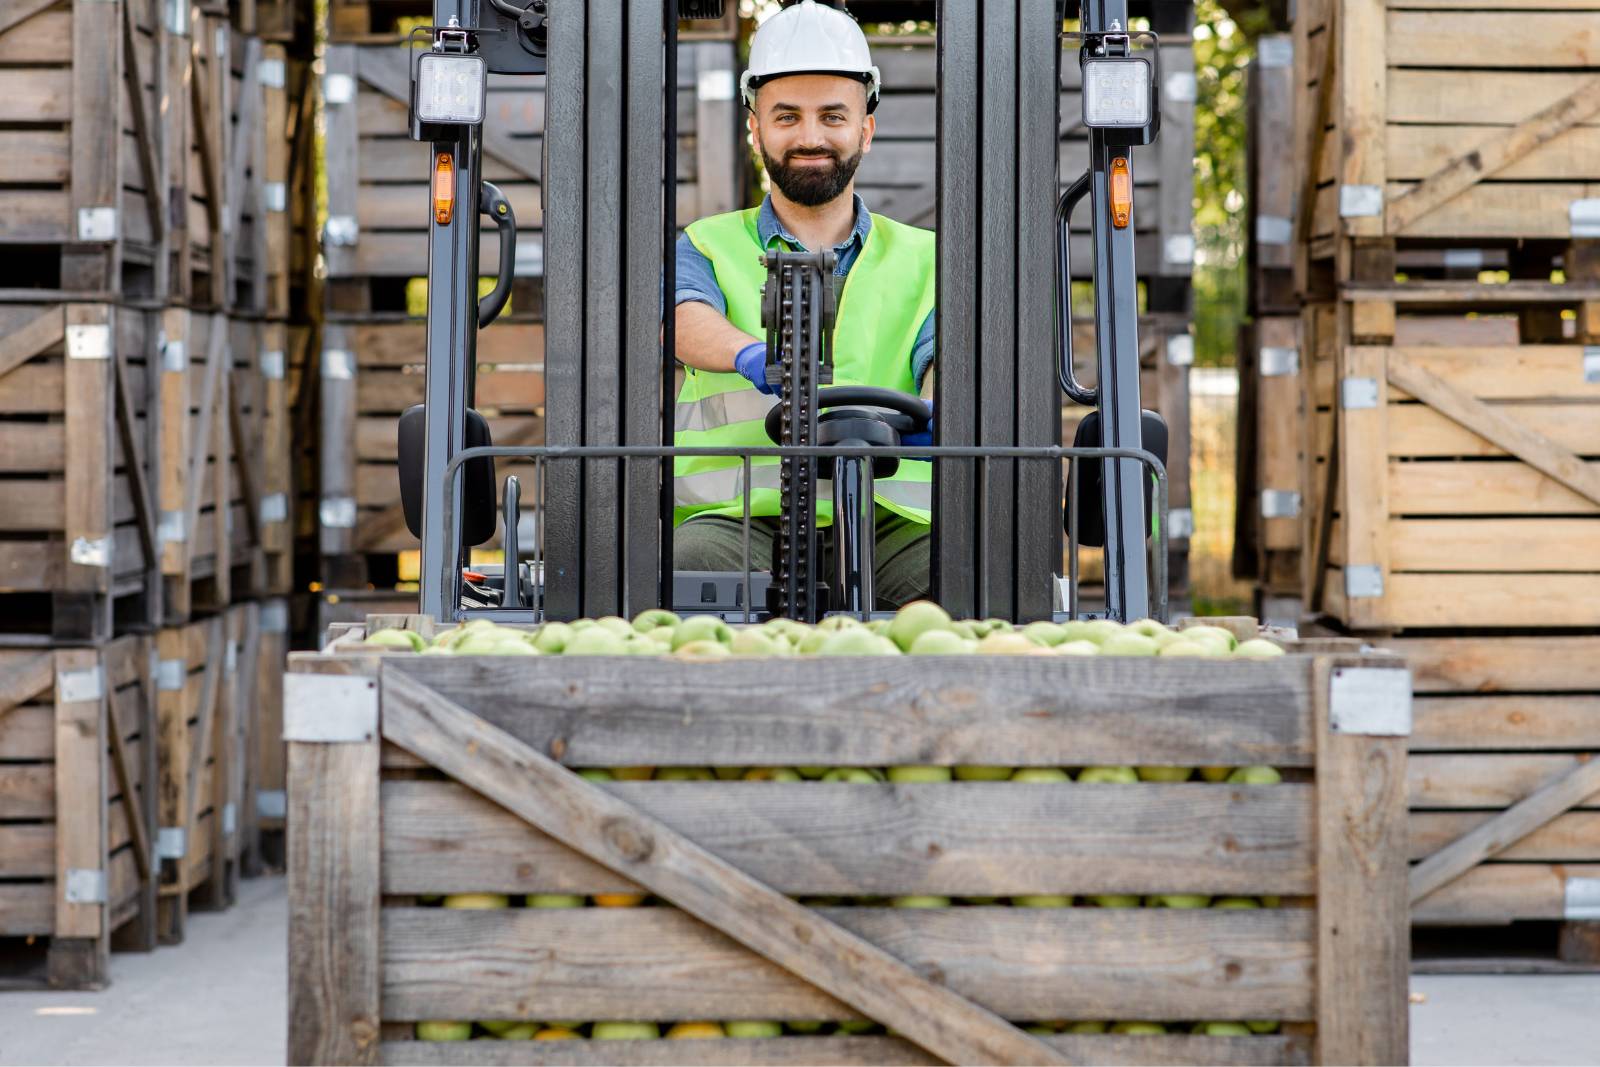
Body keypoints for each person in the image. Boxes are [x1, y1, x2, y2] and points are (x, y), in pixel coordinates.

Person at [670, 0, 936, 607]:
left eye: (832, 116)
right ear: (756, 128)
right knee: (685, 570)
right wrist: (748, 355)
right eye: (786, 117)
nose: (810, 137)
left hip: (891, 517)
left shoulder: (930, 258)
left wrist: (938, 414)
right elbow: (681, 317)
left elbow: (947, 357)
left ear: (864, 130)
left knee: (971, 569)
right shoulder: (706, 243)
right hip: (740, 517)